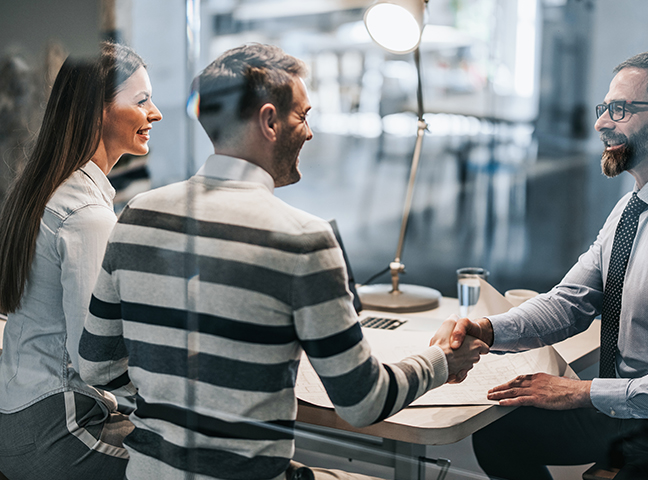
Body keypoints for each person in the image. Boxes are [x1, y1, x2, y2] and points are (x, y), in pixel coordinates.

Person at [77, 43, 486, 480]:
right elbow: (363, 402)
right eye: (303, 116)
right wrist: (443, 361)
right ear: (269, 121)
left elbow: (96, 365)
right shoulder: (303, 239)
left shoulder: (138, 212)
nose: (308, 133)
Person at [448, 51, 648, 479]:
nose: (601, 124)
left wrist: (580, 392)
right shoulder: (631, 208)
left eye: (620, 109)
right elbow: (568, 303)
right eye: (604, 108)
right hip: (625, 414)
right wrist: (487, 330)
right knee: (499, 432)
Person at [0, 42, 162, 478]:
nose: (156, 113)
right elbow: (96, 361)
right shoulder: (86, 216)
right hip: (58, 431)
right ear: (98, 111)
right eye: (142, 100)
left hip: (18, 420)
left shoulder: (46, 191)